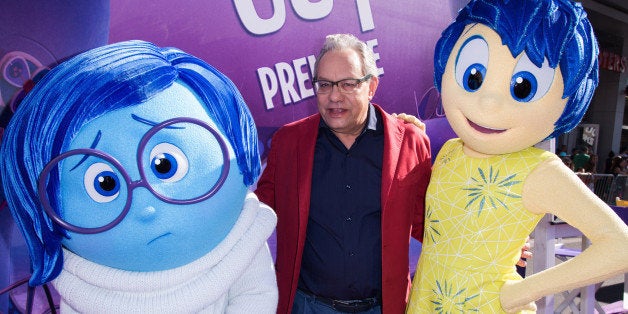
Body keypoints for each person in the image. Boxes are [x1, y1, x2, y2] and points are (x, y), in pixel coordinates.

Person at [0, 40, 277, 313]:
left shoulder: (242, 239)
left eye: (164, 165)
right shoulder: (83, 279)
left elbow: (256, 295)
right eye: (106, 184)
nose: (146, 206)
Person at [406, 0, 628, 313]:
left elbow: (620, 245)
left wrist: (522, 292)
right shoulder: (451, 151)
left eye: (522, 87)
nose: (489, 102)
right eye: (474, 76)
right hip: (425, 302)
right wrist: (407, 131)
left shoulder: (539, 171)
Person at [255, 33, 432, 313]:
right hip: (307, 306)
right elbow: (255, 214)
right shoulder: (288, 143)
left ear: (371, 86)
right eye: (324, 85)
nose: (334, 96)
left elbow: (433, 224)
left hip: (383, 307)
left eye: (348, 84)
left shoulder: (410, 142)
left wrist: (491, 247)